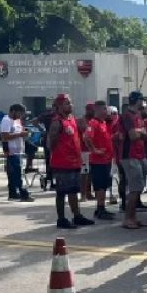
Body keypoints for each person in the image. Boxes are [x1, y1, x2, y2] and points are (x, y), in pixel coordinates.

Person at [48, 94, 94, 229]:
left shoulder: (71, 119)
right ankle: (61, 219)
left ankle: (77, 215)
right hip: (62, 163)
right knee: (62, 191)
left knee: (73, 190)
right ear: (60, 106)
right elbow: (51, 143)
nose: (70, 105)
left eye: (71, 103)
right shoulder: (57, 122)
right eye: (67, 103)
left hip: (74, 162)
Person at [120, 91, 147, 230]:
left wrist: (141, 132)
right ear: (136, 100)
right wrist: (141, 132)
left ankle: (133, 217)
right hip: (130, 155)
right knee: (134, 188)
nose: (143, 103)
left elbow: (144, 134)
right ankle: (128, 218)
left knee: (139, 187)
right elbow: (132, 135)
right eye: (141, 100)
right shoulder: (127, 115)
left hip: (139, 154)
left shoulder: (138, 116)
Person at [84, 101, 116, 220]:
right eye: (104, 109)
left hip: (106, 160)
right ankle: (100, 208)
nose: (106, 111)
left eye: (106, 109)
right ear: (97, 110)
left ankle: (101, 208)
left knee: (104, 185)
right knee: (100, 186)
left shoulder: (103, 123)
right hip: (98, 161)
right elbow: (87, 137)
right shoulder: (94, 123)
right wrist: (94, 150)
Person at [0, 103, 34, 202]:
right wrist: (20, 134)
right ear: (13, 111)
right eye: (20, 113)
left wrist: (25, 133)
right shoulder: (6, 120)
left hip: (18, 151)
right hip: (11, 151)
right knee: (17, 174)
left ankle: (13, 193)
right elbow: (4, 136)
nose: (21, 116)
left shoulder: (17, 120)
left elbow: (21, 131)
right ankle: (23, 193)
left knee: (13, 174)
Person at [78, 103, 95, 201]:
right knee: (84, 173)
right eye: (91, 110)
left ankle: (89, 193)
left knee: (91, 174)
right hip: (84, 150)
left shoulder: (94, 121)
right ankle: (83, 194)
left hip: (92, 150)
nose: (93, 112)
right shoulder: (82, 121)